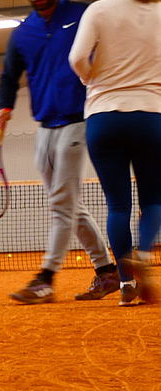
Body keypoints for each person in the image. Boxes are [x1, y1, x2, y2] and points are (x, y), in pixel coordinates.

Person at [0, 0, 119, 305]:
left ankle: (46, 279)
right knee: (70, 206)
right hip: (44, 128)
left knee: (62, 205)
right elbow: (9, 74)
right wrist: (4, 105)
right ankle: (107, 271)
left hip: (78, 121)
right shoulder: (23, 32)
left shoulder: (83, 14)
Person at [69, 0, 161, 306]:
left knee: (118, 206)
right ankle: (143, 254)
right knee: (154, 201)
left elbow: (77, 57)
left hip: (103, 116)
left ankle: (126, 283)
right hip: (151, 115)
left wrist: (89, 78)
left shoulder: (98, 9)